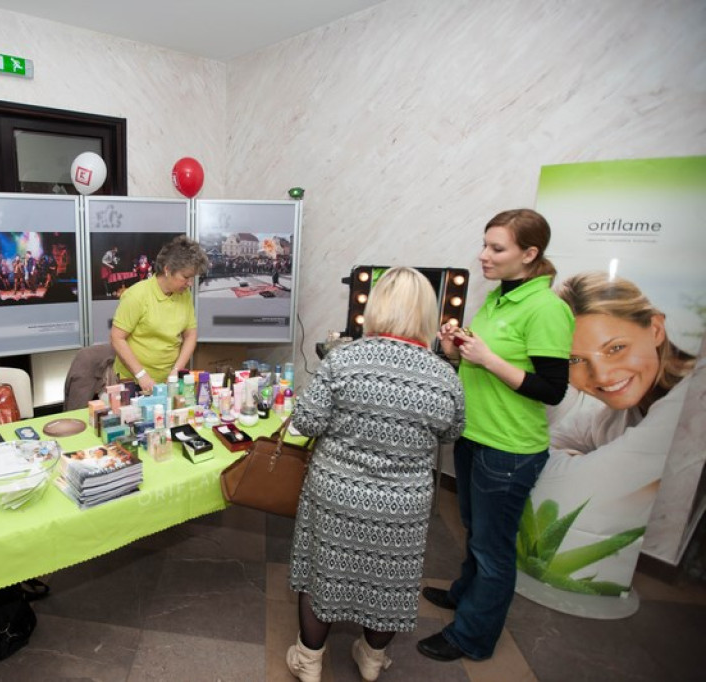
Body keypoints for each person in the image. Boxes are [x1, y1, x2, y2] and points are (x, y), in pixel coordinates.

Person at [285, 267, 466, 682]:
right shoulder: (443, 375)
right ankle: (371, 659)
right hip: (404, 502)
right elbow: (452, 431)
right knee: (389, 578)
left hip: (337, 491)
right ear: (427, 314)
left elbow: (308, 422)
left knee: (322, 572)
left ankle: (309, 661)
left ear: (376, 306)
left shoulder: (344, 360)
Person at [417, 209, 574, 662]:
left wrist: (488, 360)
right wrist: (457, 350)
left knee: (493, 548)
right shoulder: (500, 298)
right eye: (484, 244)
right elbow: (483, 363)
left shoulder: (547, 309)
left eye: (496, 248)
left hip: (508, 449)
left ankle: (473, 637)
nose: (483, 255)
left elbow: (552, 388)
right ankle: (467, 594)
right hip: (476, 436)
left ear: (529, 254)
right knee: (476, 531)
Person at [523, 272, 698, 584]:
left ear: (656, 330)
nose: (602, 376)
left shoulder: (690, 402)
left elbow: (574, 481)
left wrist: (584, 466)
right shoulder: (614, 412)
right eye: (575, 359)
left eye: (616, 348)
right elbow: (537, 451)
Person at [110, 236, 208, 394]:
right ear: (168, 270)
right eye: (186, 277)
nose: (190, 283)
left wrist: (177, 370)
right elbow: (117, 337)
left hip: (167, 380)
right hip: (133, 380)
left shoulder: (184, 294)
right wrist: (141, 375)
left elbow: (190, 335)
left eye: (193, 278)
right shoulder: (137, 295)